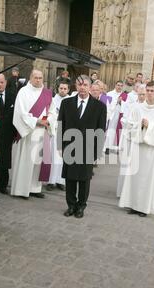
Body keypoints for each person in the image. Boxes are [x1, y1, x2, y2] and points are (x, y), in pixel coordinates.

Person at [57, 75, 107, 219]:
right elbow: (61, 125)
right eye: (79, 85)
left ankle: (81, 206)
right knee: (70, 178)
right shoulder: (66, 103)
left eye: (85, 84)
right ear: (76, 86)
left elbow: (100, 131)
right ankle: (71, 205)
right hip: (69, 146)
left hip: (88, 148)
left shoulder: (99, 107)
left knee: (84, 179)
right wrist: (60, 145)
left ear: (90, 87)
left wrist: (97, 151)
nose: (82, 87)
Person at [118, 82, 154, 216]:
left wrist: (150, 126)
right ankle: (132, 204)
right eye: (148, 90)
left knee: (147, 179)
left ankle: (143, 208)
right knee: (134, 177)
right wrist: (139, 125)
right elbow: (128, 126)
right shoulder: (138, 108)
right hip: (137, 148)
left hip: (152, 152)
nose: (149, 93)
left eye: (152, 91)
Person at [11, 70, 56, 199]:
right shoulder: (23, 92)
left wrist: (48, 120)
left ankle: (35, 189)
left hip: (43, 133)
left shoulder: (47, 93)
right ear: (30, 78)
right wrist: (37, 121)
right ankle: (22, 189)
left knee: (38, 162)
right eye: (35, 77)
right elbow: (20, 113)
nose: (38, 80)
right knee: (27, 161)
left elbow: (52, 111)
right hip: (29, 132)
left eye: (40, 78)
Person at [116, 84, 146, 197]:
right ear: (137, 94)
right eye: (140, 94)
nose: (142, 97)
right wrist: (134, 125)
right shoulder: (131, 105)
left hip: (140, 140)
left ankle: (133, 193)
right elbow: (124, 119)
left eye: (144, 94)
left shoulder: (148, 107)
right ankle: (122, 191)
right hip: (129, 138)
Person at [0, 74, 17, 194]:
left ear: (6, 83)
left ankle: (3, 185)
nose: (0, 85)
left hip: (8, 134)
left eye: (1, 82)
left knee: (5, 160)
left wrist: (14, 133)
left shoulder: (13, 96)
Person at [46, 82, 70, 191]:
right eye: (61, 88)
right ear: (58, 89)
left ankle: (61, 181)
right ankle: (51, 181)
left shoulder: (71, 101)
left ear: (68, 90)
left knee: (63, 157)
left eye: (65, 88)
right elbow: (49, 114)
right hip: (54, 131)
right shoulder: (52, 100)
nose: (63, 90)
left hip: (66, 132)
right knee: (53, 156)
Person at [105, 80, 125, 152]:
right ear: (115, 85)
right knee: (110, 131)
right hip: (111, 115)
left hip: (119, 115)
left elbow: (126, 106)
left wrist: (121, 102)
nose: (119, 87)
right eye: (118, 85)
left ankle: (116, 148)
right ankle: (107, 147)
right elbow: (106, 105)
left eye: (121, 86)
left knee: (118, 132)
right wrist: (117, 101)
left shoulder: (124, 95)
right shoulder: (109, 94)